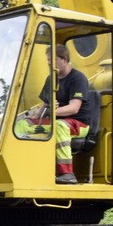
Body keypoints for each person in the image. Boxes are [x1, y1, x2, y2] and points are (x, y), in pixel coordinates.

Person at [38, 44, 93, 184]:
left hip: (79, 124)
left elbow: (74, 108)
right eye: (48, 59)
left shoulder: (78, 78)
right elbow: (44, 104)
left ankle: (67, 173)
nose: (49, 62)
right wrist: (33, 118)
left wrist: (53, 112)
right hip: (55, 119)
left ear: (64, 59)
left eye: (53, 59)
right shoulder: (51, 79)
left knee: (59, 126)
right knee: (22, 126)